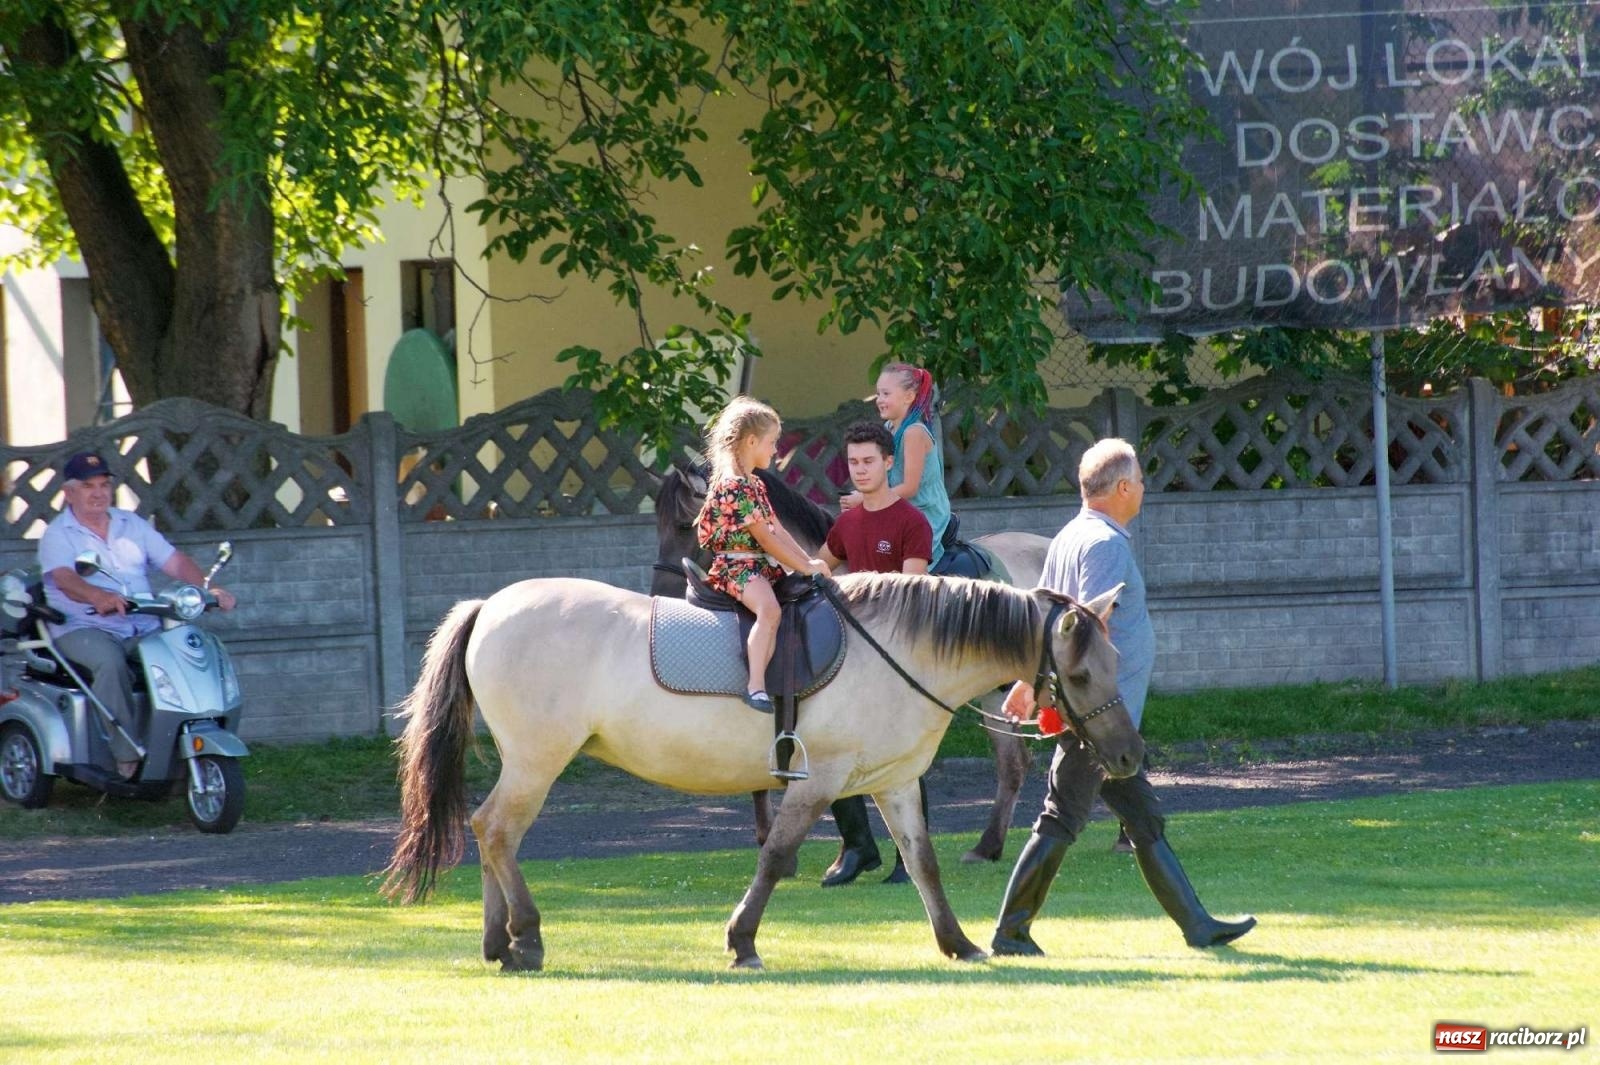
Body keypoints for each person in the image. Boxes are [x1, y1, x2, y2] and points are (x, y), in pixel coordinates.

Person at [992, 438, 1255, 953]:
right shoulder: (1106, 544)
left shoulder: (1071, 536)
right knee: (1062, 815)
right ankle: (1011, 931)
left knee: (1142, 818)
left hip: (1099, 716)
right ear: (1123, 488)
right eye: (1140, 482)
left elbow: (1043, 619)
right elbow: (1089, 622)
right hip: (1098, 717)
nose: (1143, 491)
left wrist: (1028, 684)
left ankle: (1198, 925)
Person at [39, 451, 237, 780]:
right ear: (69, 492)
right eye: (88, 486)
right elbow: (64, 578)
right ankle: (125, 754)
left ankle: (186, 738)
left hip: (141, 622)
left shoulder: (131, 524)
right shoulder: (59, 534)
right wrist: (97, 595)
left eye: (104, 484)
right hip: (84, 626)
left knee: (186, 651)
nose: (98, 493)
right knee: (110, 664)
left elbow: (173, 561)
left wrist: (207, 588)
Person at [813, 421, 934, 885]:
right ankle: (858, 847)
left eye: (869, 461)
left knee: (902, 757)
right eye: (853, 463)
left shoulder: (911, 522)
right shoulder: (847, 522)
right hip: (853, 656)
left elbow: (910, 591)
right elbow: (817, 567)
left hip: (897, 655)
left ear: (889, 463)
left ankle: (911, 856)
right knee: (831, 744)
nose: (860, 471)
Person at [695, 397, 831, 723]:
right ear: (752, 441)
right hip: (737, 567)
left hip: (758, 566)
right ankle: (755, 686)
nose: (775, 451)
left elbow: (779, 530)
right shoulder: (734, 485)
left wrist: (809, 562)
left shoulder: (754, 483)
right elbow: (765, 538)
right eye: (772, 443)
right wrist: (804, 566)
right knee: (769, 610)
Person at [841, 363, 950, 570]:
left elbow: (910, 488)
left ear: (909, 397)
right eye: (878, 394)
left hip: (922, 511)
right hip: (894, 505)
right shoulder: (889, 428)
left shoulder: (913, 433)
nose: (879, 400)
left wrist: (864, 498)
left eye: (886, 394)